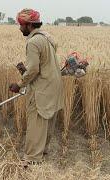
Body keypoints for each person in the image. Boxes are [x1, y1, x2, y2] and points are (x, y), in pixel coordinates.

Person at [9, 8, 64, 166]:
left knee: (36, 122)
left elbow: (33, 69)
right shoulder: (47, 38)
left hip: (42, 89)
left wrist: (18, 85)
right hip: (54, 86)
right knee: (47, 121)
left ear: (29, 25)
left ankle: (31, 159)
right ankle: (42, 151)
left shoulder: (33, 42)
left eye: (21, 25)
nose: (20, 28)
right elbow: (43, 64)